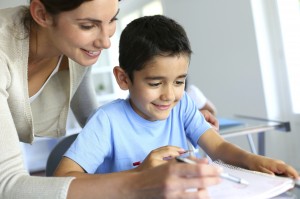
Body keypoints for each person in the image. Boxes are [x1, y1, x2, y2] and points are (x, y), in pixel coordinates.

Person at [0, 1, 222, 199]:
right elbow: (6, 185)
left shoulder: (77, 49)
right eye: (88, 25)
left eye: (112, 19)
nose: (106, 42)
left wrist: (180, 119)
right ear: (42, 14)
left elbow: (97, 122)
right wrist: (139, 180)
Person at [54, 15, 299, 181]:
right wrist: (140, 177)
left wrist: (254, 161)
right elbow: (63, 179)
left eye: (179, 82)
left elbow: (219, 148)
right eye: (155, 83)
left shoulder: (182, 107)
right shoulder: (107, 121)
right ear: (123, 79)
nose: (169, 95)